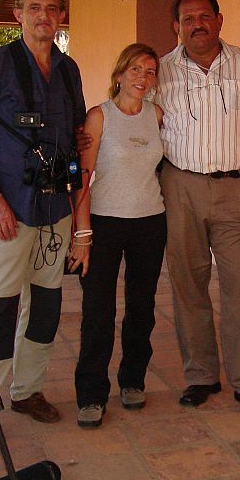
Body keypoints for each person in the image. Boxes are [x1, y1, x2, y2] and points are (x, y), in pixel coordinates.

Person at [0, 0, 86, 458]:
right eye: (33, 8)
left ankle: (26, 391)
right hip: (10, 209)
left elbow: (77, 139)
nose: (43, 16)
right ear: (17, 15)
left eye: (52, 8)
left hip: (56, 210)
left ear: (60, 15)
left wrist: (78, 214)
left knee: (45, 310)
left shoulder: (69, 71)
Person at [152, 0, 240, 416]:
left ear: (220, 19)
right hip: (179, 186)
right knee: (189, 285)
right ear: (175, 26)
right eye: (187, 18)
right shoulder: (160, 71)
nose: (196, 24)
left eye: (205, 16)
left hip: (235, 188)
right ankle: (200, 374)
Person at [68, 44, 166, 428]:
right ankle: (91, 393)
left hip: (149, 221)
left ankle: (133, 380)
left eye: (151, 71)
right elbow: (84, 180)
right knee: (98, 310)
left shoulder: (157, 115)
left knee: (142, 308)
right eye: (136, 69)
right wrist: (83, 234)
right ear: (121, 74)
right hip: (104, 223)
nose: (143, 78)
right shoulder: (99, 117)